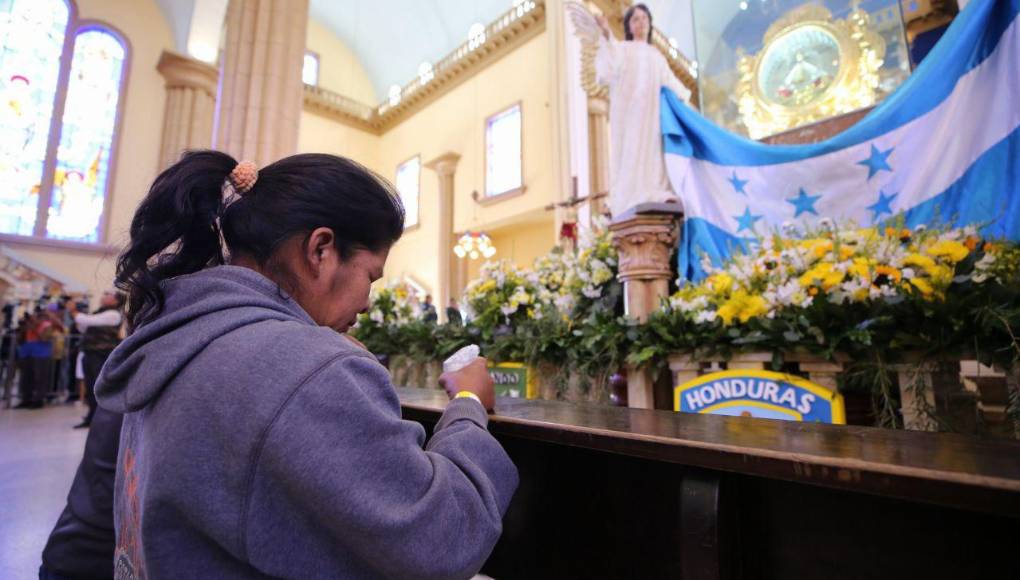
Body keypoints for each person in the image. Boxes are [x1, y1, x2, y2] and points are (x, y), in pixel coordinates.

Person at [95, 151, 517, 579]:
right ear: (320, 250)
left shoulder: (179, 336)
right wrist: (468, 403)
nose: (368, 304)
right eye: (370, 276)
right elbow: (441, 542)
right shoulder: (303, 366)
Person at [590, 3, 691, 217]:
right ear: (629, 26)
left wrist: (686, 104)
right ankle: (632, 194)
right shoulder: (625, 49)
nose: (641, 22)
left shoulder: (657, 56)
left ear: (650, 24)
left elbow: (672, 84)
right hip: (631, 114)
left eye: (644, 18)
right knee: (632, 149)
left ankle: (655, 191)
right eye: (635, 19)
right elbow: (609, 65)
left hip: (652, 115)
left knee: (653, 149)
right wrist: (607, 33)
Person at [69, 291, 125, 429]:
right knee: (90, 387)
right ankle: (91, 417)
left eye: (108, 294)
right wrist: (79, 316)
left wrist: (74, 311)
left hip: (102, 356)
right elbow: (83, 327)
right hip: (90, 354)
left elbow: (86, 321)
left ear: (116, 300)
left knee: (98, 388)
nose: (103, 295)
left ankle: (101, 419)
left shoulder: (114, 314)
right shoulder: (99, 312)